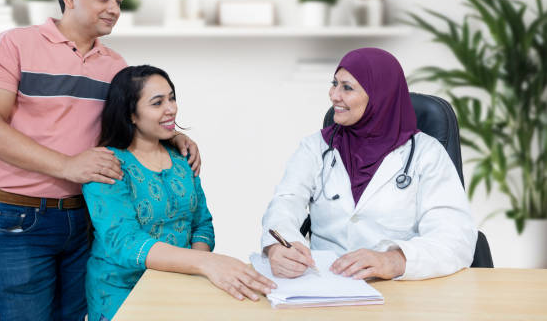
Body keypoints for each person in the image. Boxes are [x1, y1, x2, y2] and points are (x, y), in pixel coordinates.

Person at [0, 0, 201, 321]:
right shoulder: (13, 45)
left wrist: (174, 138)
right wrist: (67, 165)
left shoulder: (115, 65)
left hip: (88, 217)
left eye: (119, 1)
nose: (113, 9)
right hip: (23, 218)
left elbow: (131, 119)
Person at [261, 47, 477, 281]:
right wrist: (278, 246)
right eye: (334, 83)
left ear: (378, 94)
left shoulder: (427, 153)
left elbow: (455, 238)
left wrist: (393, 260)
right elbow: (285, 203)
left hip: (400, 290)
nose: (334, 95)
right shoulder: (316, 147)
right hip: (324, 283)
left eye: (347, 87)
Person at [83, 65, 276, 321]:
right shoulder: (107, 166)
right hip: (122, 291)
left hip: (180, 284)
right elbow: (125, 243)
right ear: (131, 114)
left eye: (172, 98)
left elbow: (202, 224)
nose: (171, 108)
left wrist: (196, 270)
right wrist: (203, 264)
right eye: (157, 102)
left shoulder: (183, 158)